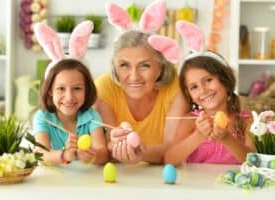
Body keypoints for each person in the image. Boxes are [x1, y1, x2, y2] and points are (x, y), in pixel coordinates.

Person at [94, 0, 189, 164]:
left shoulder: (176, 87)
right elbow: (105, 147)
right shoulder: (104, 88)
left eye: (144, 66)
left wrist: (141, 154)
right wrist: (114, 147)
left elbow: (173, 148)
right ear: (115, 67)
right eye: (124, 66)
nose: (133, 76)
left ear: (160, 67)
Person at [32, 21, 108, 165]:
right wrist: (64, 155)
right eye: (61, 89)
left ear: (87, 90)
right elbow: (40, 154)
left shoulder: (91, 116)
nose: (69, 97)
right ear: (49, 91)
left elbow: (103, 152)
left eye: (77, 88)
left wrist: (92, 155)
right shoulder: (43, 117)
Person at [164, 51, 256, 166]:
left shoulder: (246, 120)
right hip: (198, 184)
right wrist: (199, 135)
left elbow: (254, 162)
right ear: (189, 95)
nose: (203, 90)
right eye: (194, 87)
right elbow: (169, 160)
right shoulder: (190, 121)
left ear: (225, 79)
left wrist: (226, 138)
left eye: (208, 80)